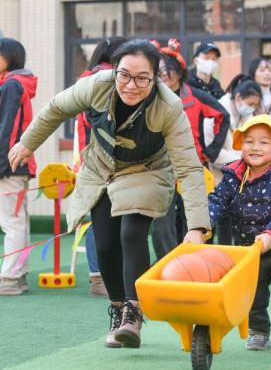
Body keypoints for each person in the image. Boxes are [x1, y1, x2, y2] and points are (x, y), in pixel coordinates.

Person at [8, 39, 211, 348]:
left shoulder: (169, 107)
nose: (131, 85)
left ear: (155, 77)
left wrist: (197, 226)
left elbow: (189, 168)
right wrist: (27, 142)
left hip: (148, 170)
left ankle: (134, 310)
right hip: (102, 166)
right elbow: (56, 108)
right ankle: (118, 308)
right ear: (114, 70)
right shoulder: (97, 85)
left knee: (131, 232)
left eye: (142, 77)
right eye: (124, 75)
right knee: (104, 244)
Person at [208, 114, 271, 352]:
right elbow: (217, 200)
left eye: (264, 142)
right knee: (252, 292)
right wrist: (203, 224)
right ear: (241, 144)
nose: (255, 147)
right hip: (247, 247)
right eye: (249, 141)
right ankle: (259, 330)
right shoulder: (234, 174)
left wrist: (270, 234)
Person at [151, 38, 230, 258]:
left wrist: (210, 151)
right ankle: (165, 263)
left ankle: (194, 264)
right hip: (160, 168)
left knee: (193, 221)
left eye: (167, 70)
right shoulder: (151, 97)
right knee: (161, 222)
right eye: (159, 71)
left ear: (178, 71)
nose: (163, 75)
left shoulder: (195, 96)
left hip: (191, 167)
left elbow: (223, 116)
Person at [73, 36, 127, 297]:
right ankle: (104, 277)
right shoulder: (110, 80)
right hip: (111, 159)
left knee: (98, 219)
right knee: (110, 220)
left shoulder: (84, 80)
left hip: (91, 159)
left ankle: (98, 276)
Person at [0, 38, 37, 296]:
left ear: (10, 58)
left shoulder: (12, 84)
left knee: (11, 221)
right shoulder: (15, 83)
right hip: (16, 162)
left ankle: (10, 277)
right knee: (18, 220)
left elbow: (8, 128)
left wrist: (2, 163)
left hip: (9, 163)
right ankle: (18, 275)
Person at [208, 75, 262, 245]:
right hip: (215, 176)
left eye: (255, 105)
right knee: (218, 224)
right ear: (238, 98)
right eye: (250, 104)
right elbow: (212, 152)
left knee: (235, 223)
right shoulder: (217, 112)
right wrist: (242, 158)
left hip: (238, 179)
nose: (251, 108)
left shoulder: (246, 116)